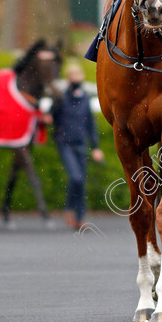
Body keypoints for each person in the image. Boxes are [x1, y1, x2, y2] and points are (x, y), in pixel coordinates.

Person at [50, 63, 104, 229]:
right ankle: (70, 208)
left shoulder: (85, 98)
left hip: (81, 144)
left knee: (81, 181)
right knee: (76, 177)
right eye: (73, 76)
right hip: (65, 143)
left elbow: (90, 124)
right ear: (68, 79)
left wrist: (95, 147)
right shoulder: (61, 98)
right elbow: (53, 117)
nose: (76, 79)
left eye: (78, 76)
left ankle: (79, 218)